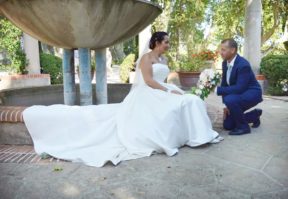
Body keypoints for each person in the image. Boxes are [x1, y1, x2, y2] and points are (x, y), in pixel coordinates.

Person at [23, 31, 223, 167]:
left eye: (169, 42)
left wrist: (174, 88)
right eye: (166, 42)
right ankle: (189, 136)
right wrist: (169, 92)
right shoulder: (146, 58)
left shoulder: (164, 59)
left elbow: (164, 78)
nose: (168, 45)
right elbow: (149, 81)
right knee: (184, 102)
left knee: (190, 100)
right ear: (156, 43)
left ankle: (197, 135)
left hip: (162, 89)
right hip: (150, 91)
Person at [216, 38, 263, 136]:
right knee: (228, 125)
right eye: (221, 49)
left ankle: (243, 127)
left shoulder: (243, 64)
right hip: (240, 94)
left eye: (223, 50)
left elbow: (239, 88)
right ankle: (254, 115)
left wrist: (218, 90)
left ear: (232, 50)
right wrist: (226, 105)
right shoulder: (225, 63)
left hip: (252, 93)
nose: (221, 52)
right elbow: (224, 84)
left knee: (230, 99)